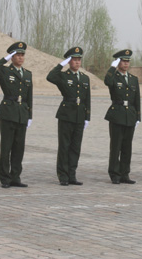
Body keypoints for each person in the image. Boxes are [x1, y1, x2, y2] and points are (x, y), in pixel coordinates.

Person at [0, 42, 33, 188]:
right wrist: (5, 59)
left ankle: (16, 177)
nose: (20, 57)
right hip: (8, 113)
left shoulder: (27, 74)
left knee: (19, 147)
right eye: (17, 55)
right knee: (6, 147)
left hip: (22, 113)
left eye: (22, 55)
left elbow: (29, 96)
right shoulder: (4, 71)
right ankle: (5, 178)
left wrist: (30, 115)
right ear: (12, 57)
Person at [46, 46, 91, 186]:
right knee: (64, 146)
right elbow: (50, 77)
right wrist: (61, 64)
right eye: (74, 60)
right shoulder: (63, 76)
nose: (77, 62)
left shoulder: (85, 78)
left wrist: (87, 117)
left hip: (79, 115)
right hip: (66, 115)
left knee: (75, 147)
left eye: (79, 60)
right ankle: (63, 176)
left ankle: (72, 175)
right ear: (69, 61)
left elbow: (87, 99)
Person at [104, 49, 141, 184]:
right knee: (116, 146)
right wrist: (112, 67)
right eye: (123, 61)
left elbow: (137, 99)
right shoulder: (114, 77)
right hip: (117, 114)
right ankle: (114, 173)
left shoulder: (133, 79)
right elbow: (107, 81)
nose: (126, 64)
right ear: (118, 62)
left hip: (130, 115)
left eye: (127, 61)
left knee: (127, 147)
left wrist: (138, 117)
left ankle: (125, 174)